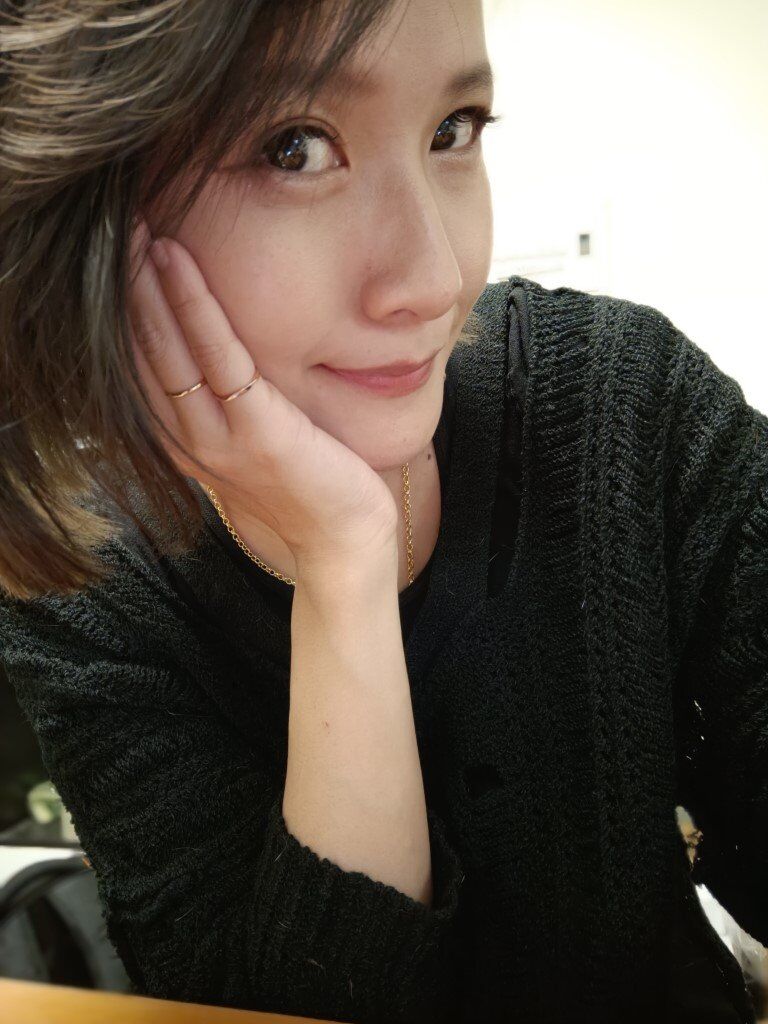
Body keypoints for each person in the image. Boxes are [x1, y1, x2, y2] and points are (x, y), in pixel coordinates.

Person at [0, 2, 766, 1022]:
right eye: (294, 147)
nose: (434, 278)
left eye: (453, 130)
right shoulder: (90, 579)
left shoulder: (626, 403)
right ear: (98, 203)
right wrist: (342, 565)